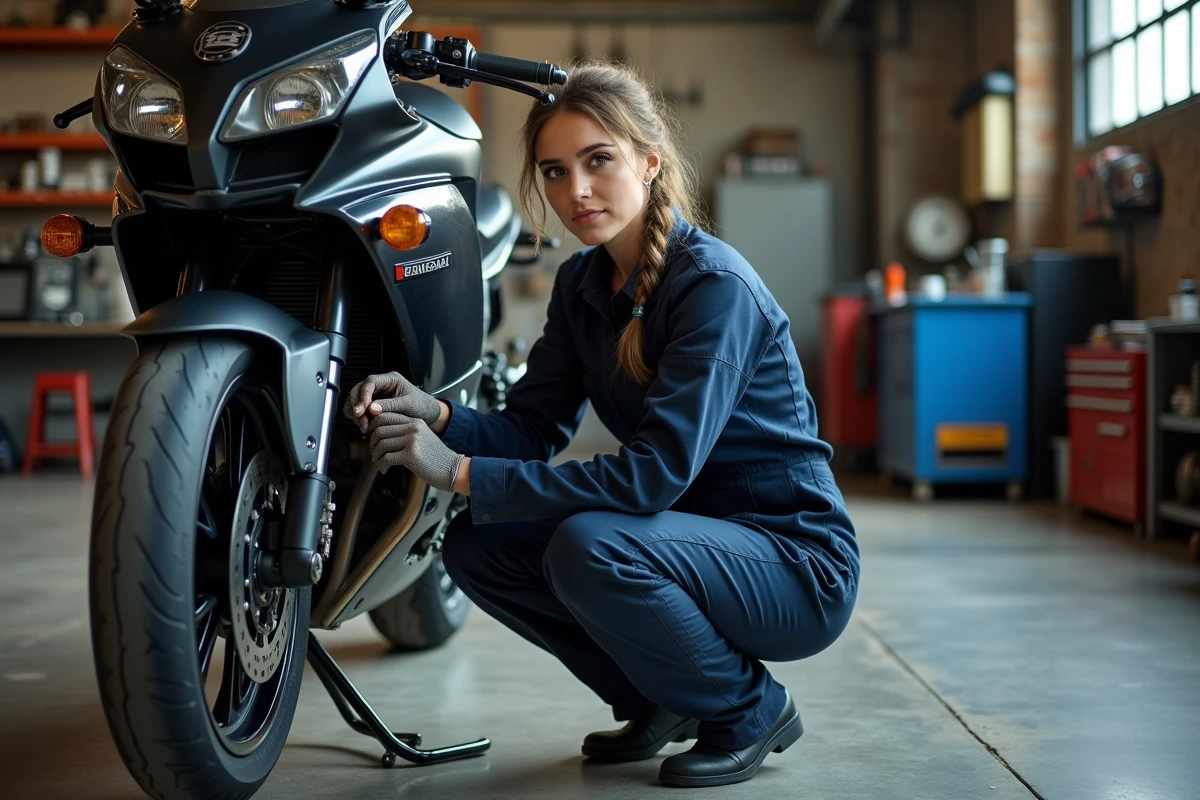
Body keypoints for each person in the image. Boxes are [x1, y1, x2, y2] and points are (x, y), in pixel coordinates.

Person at [343, 59, 859, 788]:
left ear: (649, 162)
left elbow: (652, 477)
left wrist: (457, 471)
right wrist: (438, 413)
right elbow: (531, 430)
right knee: (478, 544)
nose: (575, 191)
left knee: (593, 546)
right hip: (688, 542)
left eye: (598, 161)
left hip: (794, 563)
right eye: (554, 171)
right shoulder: (581, 285)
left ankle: (748, 709)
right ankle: (662, 700)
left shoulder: (713, 288)